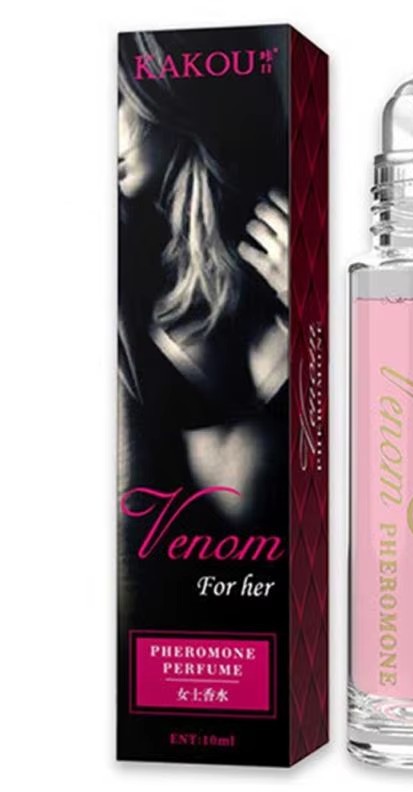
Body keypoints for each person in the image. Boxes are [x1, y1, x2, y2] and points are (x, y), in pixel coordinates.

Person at [117, 29, 289, 527]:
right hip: (190, 569)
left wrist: (318, 310)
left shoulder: (300, 218)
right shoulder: (125, 271)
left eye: (114, 100)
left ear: (167, 89)